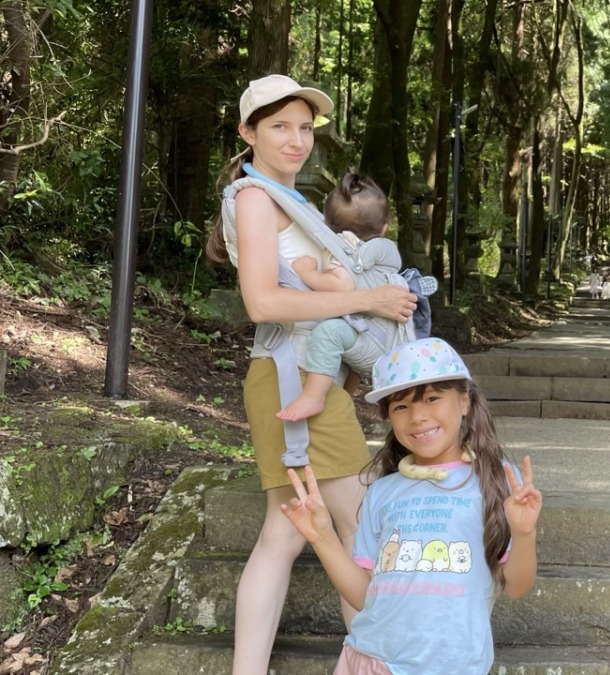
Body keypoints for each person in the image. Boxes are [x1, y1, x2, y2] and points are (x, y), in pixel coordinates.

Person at [204, 73, 419, 675]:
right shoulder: (253, 199)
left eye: (304, 127)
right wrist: (367, 302)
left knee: (285, 531)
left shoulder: (291, 200)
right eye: (279, 127)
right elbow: (263, 303)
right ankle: (377, 664)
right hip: (294, 376)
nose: (296, 140)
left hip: (297, 375)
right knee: (360, 526)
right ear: (248, 133)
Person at [281, 337, 542, 674]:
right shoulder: (383, 491)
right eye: (401, 406)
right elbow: (365, 596)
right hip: (369, 660)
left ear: (464, 401)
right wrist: (322, 537)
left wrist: (524, 533)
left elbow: (518, 587)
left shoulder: (496, 485)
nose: (417, 416)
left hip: (451, 666)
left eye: (432, 398)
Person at [276, 168, 407, 423]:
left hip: (377, 344)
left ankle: (314, 395)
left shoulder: (346, 250)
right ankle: (342, 395)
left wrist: (308, 273)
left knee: (329, 333)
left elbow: (341, 285)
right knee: (345, 334)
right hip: (388, 340)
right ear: (384, 228)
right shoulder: (385, 252)